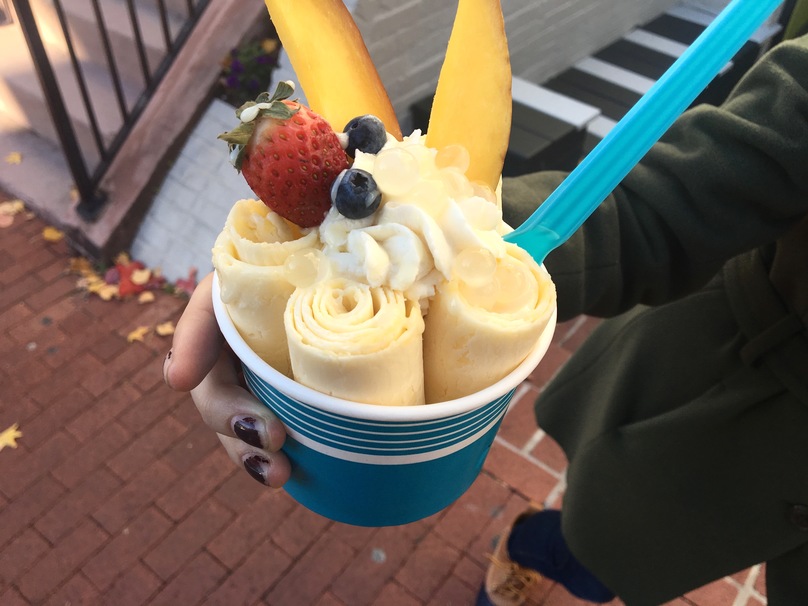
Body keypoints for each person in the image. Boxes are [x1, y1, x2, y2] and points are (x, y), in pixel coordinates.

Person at [164, 32, 808, 605]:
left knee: (621, 559)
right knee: (595, 543)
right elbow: (694, 189)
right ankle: (526, 549)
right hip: (712, 392)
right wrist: (261, 293)